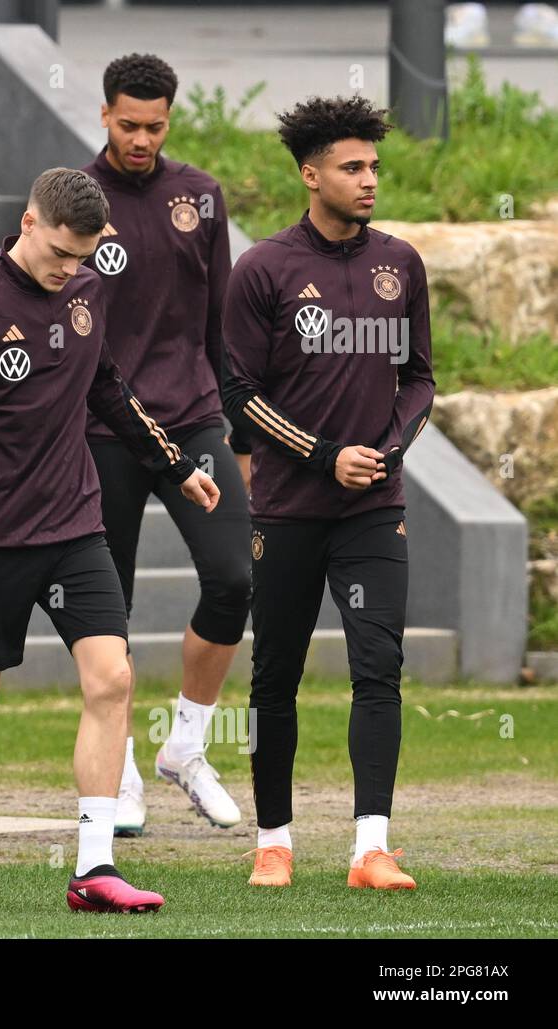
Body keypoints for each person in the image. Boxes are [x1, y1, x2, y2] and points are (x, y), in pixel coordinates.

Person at [0, 168, 219, 914]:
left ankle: (93, 867)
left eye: (83, 257)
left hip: (76, 526)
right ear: (28, 222)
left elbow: (108, 386)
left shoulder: (85, 291)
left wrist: (174, 468)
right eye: (60, 254)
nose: (68, 270)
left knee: (112, 679)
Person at [221, 96, 434, 890]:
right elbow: (238, 391)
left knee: (378, 668)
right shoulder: (266, 269)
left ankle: (370, 847)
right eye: (352, 167)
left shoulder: (400, 263)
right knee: (275, 676)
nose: (369, 178)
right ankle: (273, 841)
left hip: (375, 510)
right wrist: (321, 454)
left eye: (374, 165)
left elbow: (419, 380)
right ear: (311, 176)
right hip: (287, 509)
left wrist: (385, 451)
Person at [82, 53, 249, 835]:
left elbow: (224, 327)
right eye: (128, 124)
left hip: (193, 420)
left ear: (169, 120)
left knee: (234, 577)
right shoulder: (73, 199)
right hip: (101, 429)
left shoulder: (200, 197)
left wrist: (238, 435)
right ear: (105, 115)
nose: (141, 139)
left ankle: (184, 747)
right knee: (105, 608)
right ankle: (116, 772)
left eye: (154, 126)